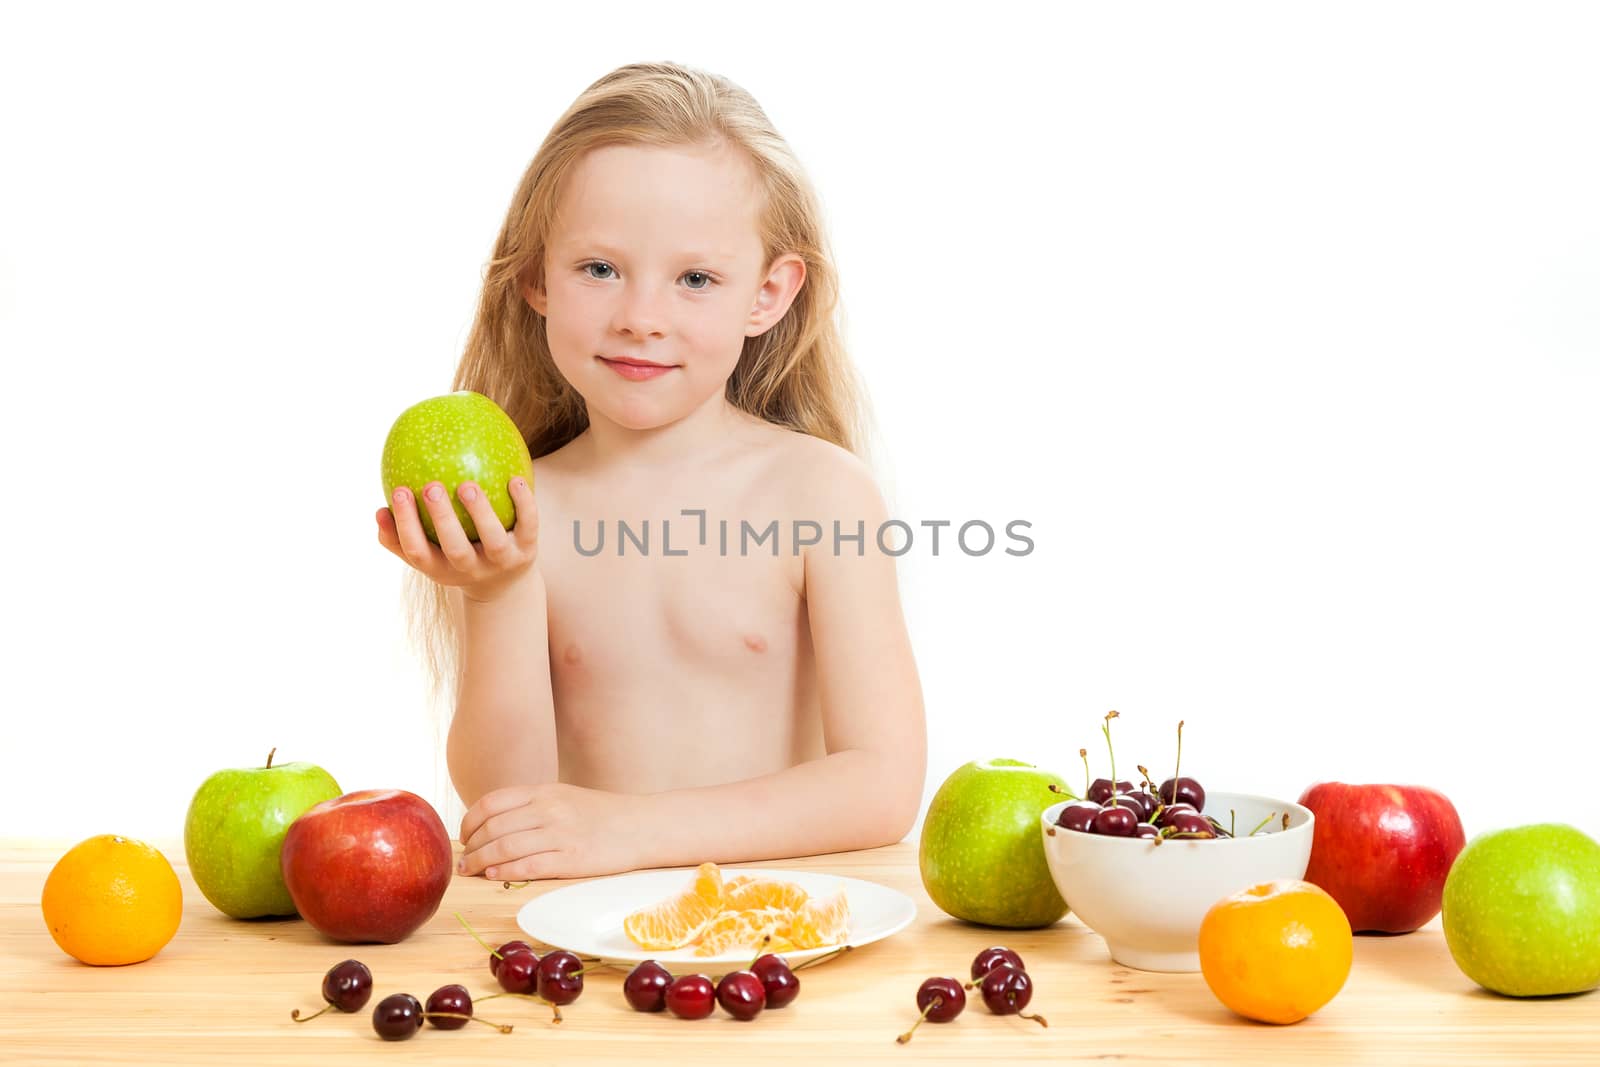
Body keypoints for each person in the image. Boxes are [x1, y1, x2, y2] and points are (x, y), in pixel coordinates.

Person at [375, 61, 925, 882]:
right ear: (535, 278)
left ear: (767, 294)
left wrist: (630, 831)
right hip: (590, 948)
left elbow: (882, 785)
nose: (640, 319)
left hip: (776, 941)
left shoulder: (819, 492)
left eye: (696, 279)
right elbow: (511, 803)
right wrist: (495, 590)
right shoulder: (526, 505)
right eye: (599, 269)